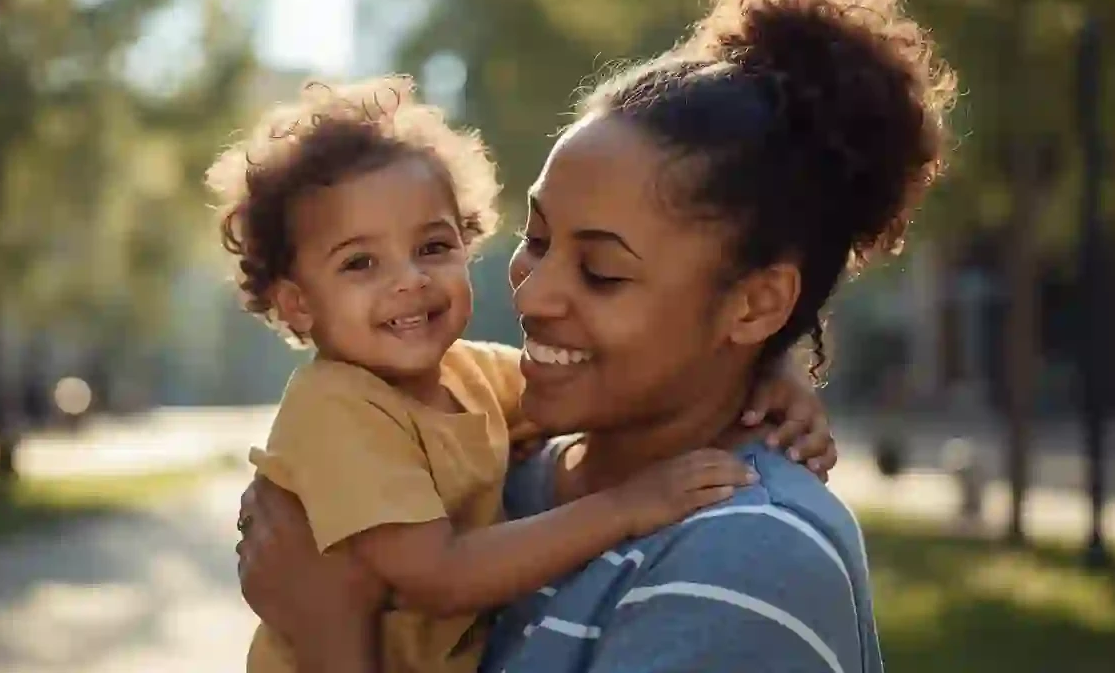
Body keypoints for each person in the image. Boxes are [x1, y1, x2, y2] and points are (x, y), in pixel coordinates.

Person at [212, 76, 841, 673]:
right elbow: (442, 576)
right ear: (297, 303)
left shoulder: (466, 376)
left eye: (432, 247)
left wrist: (773, 368)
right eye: (360, 263)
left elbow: (591, 379)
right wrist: (626, 506)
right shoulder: (337, 408)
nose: (410, 280)